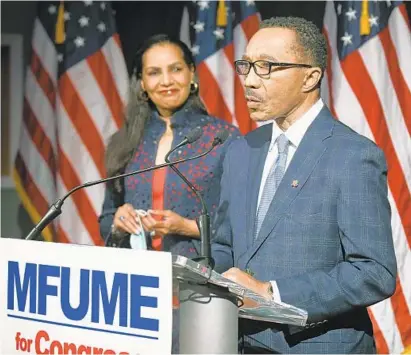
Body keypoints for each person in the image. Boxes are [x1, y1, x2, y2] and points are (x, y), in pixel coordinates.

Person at [211, 17, 397, 354]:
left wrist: (273, 294)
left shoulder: (354, 156)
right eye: (246, 65)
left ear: (310, 76)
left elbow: (374, 271)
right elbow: (225, 246)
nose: (250, 81)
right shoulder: (240, 150)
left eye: (266, 67)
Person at [98, 34, 240, 353]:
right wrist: (118, 222)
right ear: (142, 85)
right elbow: (107, 216)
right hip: (135, 296)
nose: (166, 81)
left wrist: (186, 227)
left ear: (192, 75)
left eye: (175, 69)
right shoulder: (123, 144)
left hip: (199, 295)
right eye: (154, 72)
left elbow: (241, 225)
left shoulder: (223, 139)